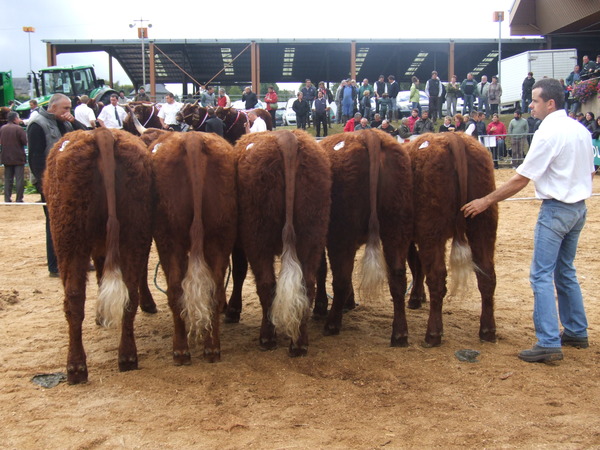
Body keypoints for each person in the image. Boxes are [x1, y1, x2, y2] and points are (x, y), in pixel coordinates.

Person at [462, 78, 594, 363]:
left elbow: (522, 178)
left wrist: (485, 200)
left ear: (550, 103)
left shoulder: (548, 133)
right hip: (578, 209)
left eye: (534, 101)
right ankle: (576, 330)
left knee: (541, 275)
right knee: (565, 271)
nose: (530, 106)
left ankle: (547, 341)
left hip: (556, 209)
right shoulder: (580, 129)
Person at [27, 93, 87, 277]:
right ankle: (55, 265)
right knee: (54, 223)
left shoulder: (67, 122)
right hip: (50, 182)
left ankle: (79, 261)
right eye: (66, 108)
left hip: (69, 182)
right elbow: (35, 157)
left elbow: (86, 134)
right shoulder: (37, 124)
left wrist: (74, 121)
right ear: (53, 108)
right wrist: (44, 184)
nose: (68, 112)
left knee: (77, 221)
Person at [0, 112, 27, 203]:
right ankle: (19, 198)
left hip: (6, 157)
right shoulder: (19, 129)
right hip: (18, 157)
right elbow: (25, 141)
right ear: (15, 119)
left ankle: (7, 198)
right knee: (19, 179)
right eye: (18, 118)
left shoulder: (2, 128)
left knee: (8, 179)